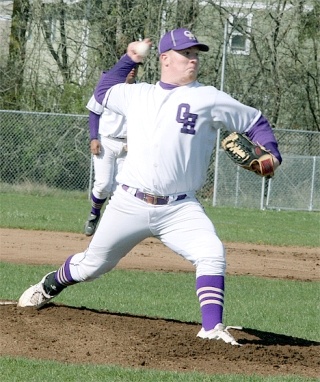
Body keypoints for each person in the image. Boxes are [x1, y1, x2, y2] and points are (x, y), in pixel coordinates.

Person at [18, 28, 282, 346]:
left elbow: (255, 121)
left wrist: (273, 154)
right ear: (165, 58)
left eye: (196, 53)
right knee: (90, 266)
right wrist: (128, 59)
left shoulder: (208, 97)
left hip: (180, 207)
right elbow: (102, 93)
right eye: (187, 53)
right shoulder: (138, 94)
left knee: (212, 253)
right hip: (129, 202)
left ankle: (212, 328)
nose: (193, 59)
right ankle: (50, 284)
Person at [84, 66, 139, 236]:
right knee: (102, 185)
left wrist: (137, 140)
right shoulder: (107, 88)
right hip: (106, 141)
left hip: (127, 146)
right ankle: (94, 214)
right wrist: (94, 138)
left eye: (136, 67)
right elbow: (94, 112)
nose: (133, 70)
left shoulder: (140, 92)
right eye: (129, 66)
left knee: (121, 190)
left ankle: (109, 226)